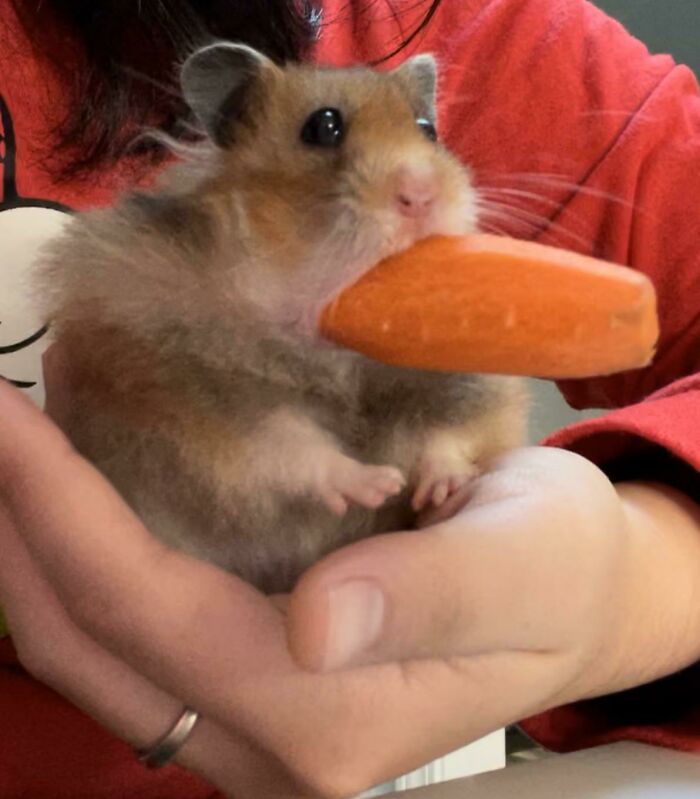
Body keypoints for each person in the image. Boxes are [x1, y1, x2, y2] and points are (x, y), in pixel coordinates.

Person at [0, 0, 699, 797]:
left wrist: (643, 577)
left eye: (424, 129)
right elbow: (188, 424)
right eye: (327, 133)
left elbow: (476, 412)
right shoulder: (150, 290)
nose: (412, 179)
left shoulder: (478, 28)